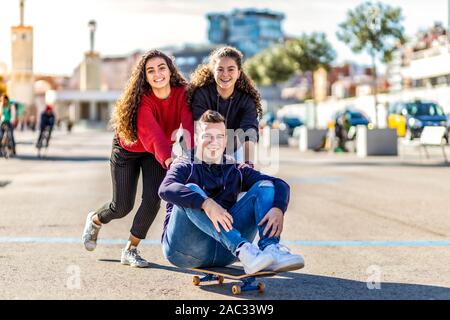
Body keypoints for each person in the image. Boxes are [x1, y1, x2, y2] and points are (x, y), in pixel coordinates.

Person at [82, 50, 194, 267]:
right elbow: (154, 135)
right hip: (128, 150)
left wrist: (191, 156)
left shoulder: (183, 94)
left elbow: (189, 127)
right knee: (122, 206)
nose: (157, 74)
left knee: (153, 200)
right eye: (150, 70)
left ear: (170, 70)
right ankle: (95, 220)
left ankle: (130, 250)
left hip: (154, 154)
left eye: (162, 67)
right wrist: (171, 162)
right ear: (145, 76)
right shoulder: (142, 101)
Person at [159, 110, 304, 274]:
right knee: (192, 190)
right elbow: (165, 188)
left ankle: (270, 248)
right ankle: (243, 248)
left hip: (225, 253)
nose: (214, 142)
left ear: (225, 139)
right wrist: (206, 203)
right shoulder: (185, 164)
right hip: (185, 251)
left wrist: (278, 208)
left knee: (266, 186)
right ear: (197, 138)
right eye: (208, 136)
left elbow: (279, 184)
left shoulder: (234, 168)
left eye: (219, 136)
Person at [188, 46, 261, 165]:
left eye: (231, 69)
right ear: (213, 72)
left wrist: (249, 164)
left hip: (233, 150)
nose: (225, 74)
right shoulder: (202, 94)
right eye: (220, 69)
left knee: (240, 173)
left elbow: (249, 133)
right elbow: (201, 130)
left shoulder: (246, 100)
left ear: (238, 73)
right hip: (204, 147)